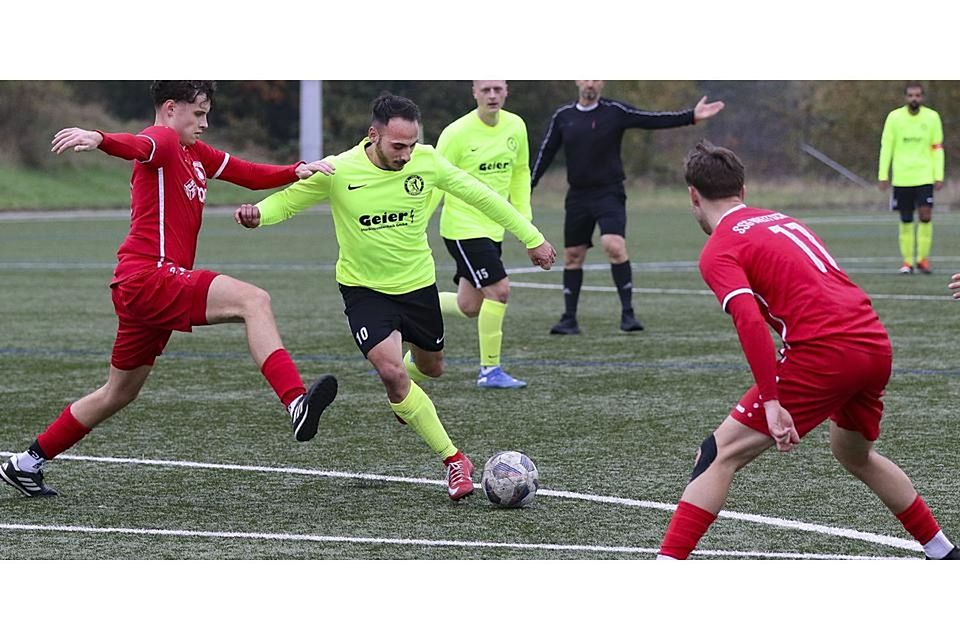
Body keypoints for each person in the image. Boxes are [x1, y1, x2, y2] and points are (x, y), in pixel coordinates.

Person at [0, 81, 338, 499]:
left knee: (117, 392)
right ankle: (295, 402)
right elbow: (137, 145)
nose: (205, 123)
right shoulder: (162, 139)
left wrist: (297, 170)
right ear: (171, 108)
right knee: (254, 300)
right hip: (151, 277)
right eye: (198, 114)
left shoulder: (195, 153)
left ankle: (26, 462)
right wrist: (100, 138)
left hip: (140, 288)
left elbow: (247, 174)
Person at [234, 94, 556, 501]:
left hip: (417, 286)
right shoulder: (339, 170)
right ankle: (455, 460)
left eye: (412, 145)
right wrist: (258, 214)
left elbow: (482, 196)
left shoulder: (427, 161)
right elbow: (288, 201)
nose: (406, 154)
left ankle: (407, 399)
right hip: (364, 291)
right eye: (397, 146)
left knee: (432, 368)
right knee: (391, 374)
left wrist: (532, 237)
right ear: (374, 135)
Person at [657, 140, 958, 560]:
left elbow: (748, 322)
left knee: (718, 452)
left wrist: (772, 399)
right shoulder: (783, 220)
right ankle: (943, 552)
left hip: (825, 352)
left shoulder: (719, 249)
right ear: (742, 190)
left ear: (693, 195)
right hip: (873, 341)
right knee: (853, 453)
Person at [531, 80, 724, 335]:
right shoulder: (563, 117)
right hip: (578, 196)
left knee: (614, 245)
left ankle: (628, 315)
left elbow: (650, 119)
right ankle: (569, 319)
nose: (590, 82)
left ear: (602, 83)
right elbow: (545, 153)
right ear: (578, 81)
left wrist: (691, 116)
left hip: (609, 192)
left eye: (596, 77)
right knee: (573, 256)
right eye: (585, 77)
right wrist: (528, 187)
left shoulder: (615, 112)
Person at [428, 80, 533, 389]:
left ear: (507, 91)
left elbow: (520, 171)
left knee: (469, 306)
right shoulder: (456, 133)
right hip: (463, 228)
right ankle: (490, 371)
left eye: (498, 89)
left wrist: (523, 219)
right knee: (499, 290)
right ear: (474, 92)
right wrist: (417, 223)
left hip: (494, 229)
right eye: (485, 89)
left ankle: (410, 305)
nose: (492, 95)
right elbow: (434, 180)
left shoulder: (516, 126)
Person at [878, 82, 945, 275]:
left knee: (925, 215)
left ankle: (922, 259)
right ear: (905, 98)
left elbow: (937, 147)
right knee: (906, 219)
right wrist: (883, 174)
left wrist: (938, 174)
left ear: (922, 97)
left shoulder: (932, 117)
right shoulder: (894, 117)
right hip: (902, 177)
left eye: (917, 95)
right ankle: (907, 262)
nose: (914, 99)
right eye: (910, 95)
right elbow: (887, 146)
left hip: (924, 175)